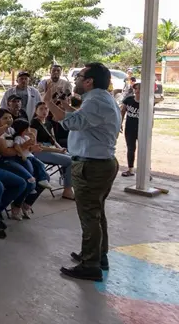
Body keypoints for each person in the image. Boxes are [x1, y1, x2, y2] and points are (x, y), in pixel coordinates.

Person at [44, 62, 121, 282]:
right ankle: (98, 256)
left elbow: (71, 123)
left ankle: (90, 264)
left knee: (89, 216)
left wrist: (49, 102)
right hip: (100, 163)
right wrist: (68, 107)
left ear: (89, 81)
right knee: (96, 213)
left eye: (79, 77)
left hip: (91, 165)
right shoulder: (102, 99)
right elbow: (84, 120)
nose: (76, 80)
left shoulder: (95, 101)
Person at [0, 109, 39, 220]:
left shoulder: (10, 130)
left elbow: (18, 143)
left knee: (41, 176)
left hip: (13, 159)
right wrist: (23, 147)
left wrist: (28, 141)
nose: (9, 120)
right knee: (29, 182)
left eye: (10, 117)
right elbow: (5, 152)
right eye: (5, 118)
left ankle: (20, 204)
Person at [31, 102, 74, 199]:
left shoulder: (49, 123)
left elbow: (53, 140)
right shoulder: (34, 124)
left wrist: (60, 149)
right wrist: (58, 151)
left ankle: (68, 183)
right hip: (39, 151)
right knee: (71, 161)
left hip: (51, 149)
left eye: (46, 108)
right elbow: (35, 145)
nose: (44, 111)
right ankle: (67, 190)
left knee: (75, 158)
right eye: (41, 109)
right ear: (36, 111)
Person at [120, 83, 141, 177]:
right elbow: (122, 111)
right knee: (131, 148)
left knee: (144, 149)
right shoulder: (129, 100)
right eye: (136, 89)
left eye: (139, 89)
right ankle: (130, 169)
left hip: (142, 128)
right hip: (130, 128)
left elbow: (151, 116)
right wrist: (120, 123)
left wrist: (150, 128)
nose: (137, 91)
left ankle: (145, 172)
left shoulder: (147, 101)